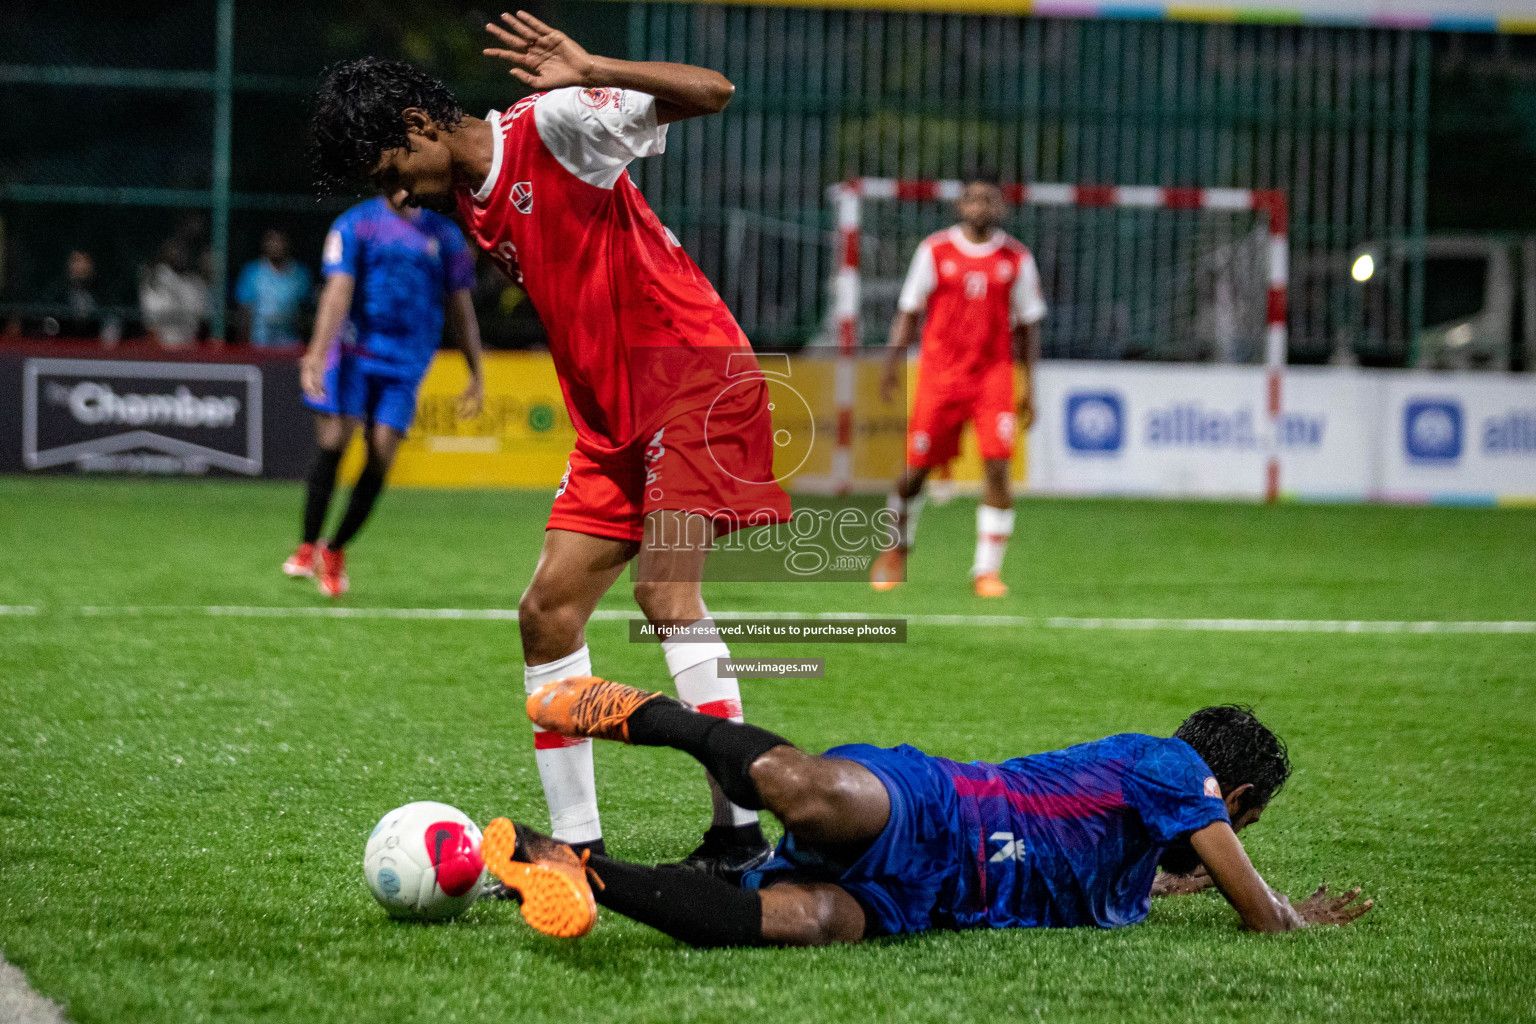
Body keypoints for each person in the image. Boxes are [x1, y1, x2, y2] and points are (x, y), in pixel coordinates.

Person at [308, 11, 791, 873]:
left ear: (419, 127)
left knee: (665, 595)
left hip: (691, 378)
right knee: (546, 616)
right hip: (612, 421)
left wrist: (591, 65)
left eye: (394, 171)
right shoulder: (464, 200)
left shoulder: (556, 126)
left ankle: (739, 835)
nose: (401, 195)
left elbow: (713, 92)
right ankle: (578, 851)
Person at [480, 679, 1373, 946]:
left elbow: (1165, 879)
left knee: (802, 920)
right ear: (1238, 801)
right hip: (942, 804)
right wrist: (1290, 913)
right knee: (805, 788)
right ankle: (634, 712)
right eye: (1242, 826)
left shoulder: (1140, 867)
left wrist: (1174, 884)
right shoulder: (1173, 765)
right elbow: (1258, 914)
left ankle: (564, 863)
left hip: (938, 898)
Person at [283, 191, 484, 597]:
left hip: (405, 365)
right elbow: (337, 290)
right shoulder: (355, 224)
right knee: (334, 438)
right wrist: (318, 353)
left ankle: (334, 549)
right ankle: (306, 545)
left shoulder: (443, 236)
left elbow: (460, 303)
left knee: (381, 453)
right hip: (353, 354)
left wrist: (476, 370)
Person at [870, 181, 1046, 598]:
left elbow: (1028, 325)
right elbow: (909, 311)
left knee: (998, 468)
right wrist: (892, 364)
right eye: (973, 198)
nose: (980, 206)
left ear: (1000, 208)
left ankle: (986, 571)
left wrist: (1029, 386)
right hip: (940, 376)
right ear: (960, 205)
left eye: (989, 199)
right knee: (914, 473)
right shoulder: (935, 251)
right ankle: (896, 550)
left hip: (993, 377)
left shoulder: (1016, 258)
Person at [235, 229, 313, 347]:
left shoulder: (300, 273)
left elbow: (306, 309)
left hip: (290, 343)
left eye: (279, 241)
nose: (275, 245)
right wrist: (244, 343)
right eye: (271, 241)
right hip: (258, 342)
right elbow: (244, 309)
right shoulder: (252, 271)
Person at [139, 239, 208, 347]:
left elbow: (201, 314)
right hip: (161, 343)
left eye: (182, 252)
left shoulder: (193, 283)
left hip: (188, 343)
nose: (179, 255)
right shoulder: (155, 277)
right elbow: (151, 319)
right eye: (174, 250)